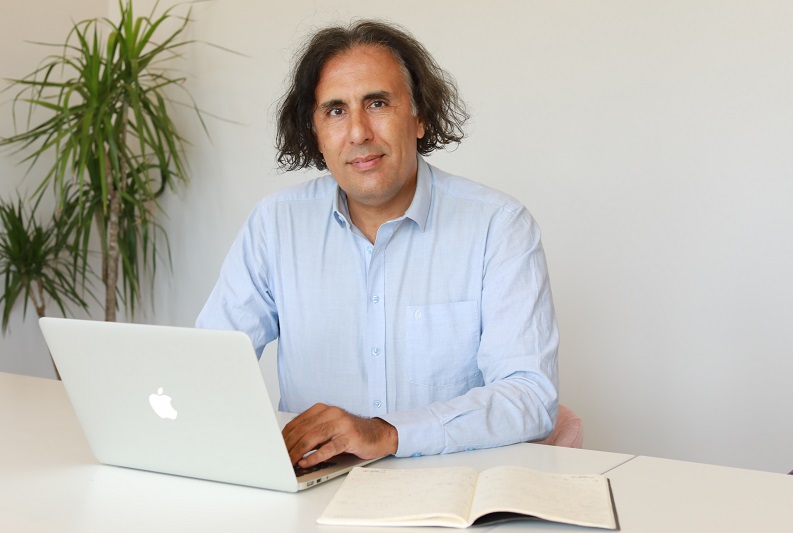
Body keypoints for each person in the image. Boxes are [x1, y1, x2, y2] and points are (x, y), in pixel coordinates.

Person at [196, 20, 559, 470]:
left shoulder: (499, 226)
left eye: (377, 103)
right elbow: (208, 364)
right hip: (315, 485)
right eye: (335, 111)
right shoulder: (274, 225)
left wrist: (387, 433)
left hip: (450, 484)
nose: (358, 132)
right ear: (315, 133)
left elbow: (530, 396)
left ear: (420, 116)